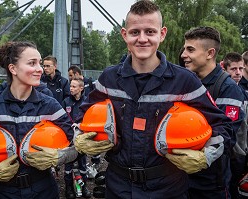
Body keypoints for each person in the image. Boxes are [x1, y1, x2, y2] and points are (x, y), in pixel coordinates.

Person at [73, 1, 233, 198]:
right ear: (124, 35)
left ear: (162, 34)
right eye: (135, 32)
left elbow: (223, 126)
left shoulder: (184, 81)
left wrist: (207, 155)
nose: (142, 39)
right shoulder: (109, 79)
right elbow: (80, 116)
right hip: (117, 187)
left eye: (150, 31)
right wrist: (78, 137)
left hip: (168, 189)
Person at [0, 41, 78, 199]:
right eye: (32, 63)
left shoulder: (49, 105)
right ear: (13, 68)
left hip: (44, 190)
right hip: (2, 192)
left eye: (40, 63)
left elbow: (77, 144)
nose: (39, 69)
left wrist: (59, 156)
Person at [181, 27, 245, 199]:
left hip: (210, 185)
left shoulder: (228, 90)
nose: (183, 55)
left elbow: (227, 135)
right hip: (180, 179)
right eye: (185, 48)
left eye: (190, 50)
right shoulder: (186, 83)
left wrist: (201, 156)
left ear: (210, 53)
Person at [222, 52, 248, 198]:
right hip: (229, 152)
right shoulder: (224, 89)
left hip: (241, 152)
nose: (238, 73)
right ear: (225, 68)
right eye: (233, 69)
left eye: (241, 68)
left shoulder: (243, 93)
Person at [62, 78, 91, 198]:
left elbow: (90, 119)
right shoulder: (66, 101)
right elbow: (61, 118)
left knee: (82, 164)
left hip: (81, 138)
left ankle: (84, 186)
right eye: (70, 86)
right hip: (68, 138)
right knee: (68, 165)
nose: (71, 89)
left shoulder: (87, 102)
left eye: (74, 87)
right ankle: (68, 188)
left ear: (81, 88)